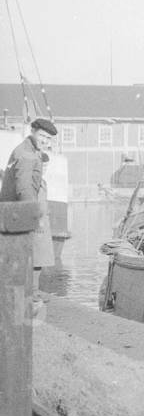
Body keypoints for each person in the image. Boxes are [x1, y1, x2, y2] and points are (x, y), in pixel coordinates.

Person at [0, 118, 57, 299]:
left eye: (48, 139)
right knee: (34, 253)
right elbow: (23, 188)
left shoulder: (27, 151)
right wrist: (33, 214)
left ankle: (28, 293)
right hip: (24, 212)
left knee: (29, 254)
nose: (45, 141)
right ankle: (28, 295)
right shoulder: (27, 155)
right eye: (42, 136)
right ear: (32, 131)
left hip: (16, 211)